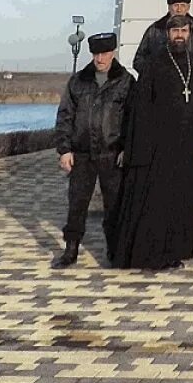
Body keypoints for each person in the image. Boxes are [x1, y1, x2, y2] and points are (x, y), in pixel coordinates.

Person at [113, 15, 193, 270]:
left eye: (183, 30)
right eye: (174, 30)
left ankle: (175, 251)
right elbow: (140, 108)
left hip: (186, 147)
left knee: (180, 201)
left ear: (189, 34)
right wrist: (138, 148)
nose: (179, 35)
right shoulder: (154, 64)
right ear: (167, 34)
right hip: (158, 146)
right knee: (158, 202)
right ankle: (153, 255)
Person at [52, 32, 134, 268]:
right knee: (77, 203)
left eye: (105, 53)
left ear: (113, 53)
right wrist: (64, 150)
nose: (100, 59)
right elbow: (65, 116)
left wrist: (126, 148)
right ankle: (71, 250)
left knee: (114, 205)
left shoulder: (126, 81)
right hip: (82, 154)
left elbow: (132, 118)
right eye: (96, 54)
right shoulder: (78, 81)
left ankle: (114, 250)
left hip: (112, 153)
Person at [133, 0, 193, 74]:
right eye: (176, 5)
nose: (179, 10)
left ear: (188, 7)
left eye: (183, 5)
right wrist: (154, 75)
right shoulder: (155, 30)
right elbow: (139, 60)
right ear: (169, 7)